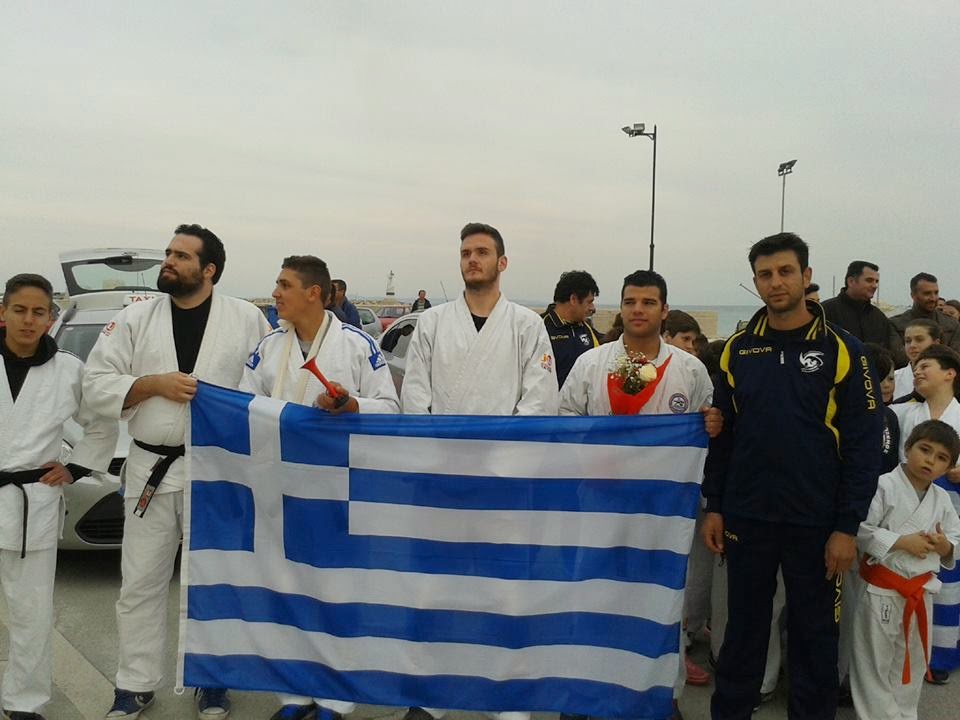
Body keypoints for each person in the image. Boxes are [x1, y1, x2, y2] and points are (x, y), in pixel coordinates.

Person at [83, 224, 272, 720]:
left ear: (209, 270)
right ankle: (134, 684)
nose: (168, 260)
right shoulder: (134, 318)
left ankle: (214, 678)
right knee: (140, 582)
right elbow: (95, 382)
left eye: (181, 255)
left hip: (219, 470)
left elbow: (267, 389)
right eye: (168, 252)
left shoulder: (246, 318)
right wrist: (151, 384)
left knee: (216, 579)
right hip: (151, 465)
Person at [702, 232, 882, 720]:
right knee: (742, 633)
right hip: (747, 516)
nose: (775, 282)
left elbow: (864, 448)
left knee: (814, 638)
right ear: (755, 282)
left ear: (806, 276)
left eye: (785, 272)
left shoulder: (844, 350)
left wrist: (846, 527)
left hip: (817, 522)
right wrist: (715, 504)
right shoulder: (737, 349)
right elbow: (721, 435)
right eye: (765, 274)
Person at [400, 222, 558, 720]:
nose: (472, 259)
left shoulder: (527, 325)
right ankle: (433, 692)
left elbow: (539, 401)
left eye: (483, 252)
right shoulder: (432, 323)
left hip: (503, 479)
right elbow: (415, 396)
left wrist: (495, 461)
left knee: (504, 590)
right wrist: (442, 457)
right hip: (442, 475)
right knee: (437, 588)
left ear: (501, 262)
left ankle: (506, 694)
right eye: (466, 252)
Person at [240, 256, 399, 720]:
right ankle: (294, 693)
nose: (275, 293)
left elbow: (391, 408)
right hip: (281, 486)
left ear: (313, 293)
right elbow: (243, 405)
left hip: (340, 486)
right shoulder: (268, 347)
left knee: (337, 591)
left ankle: (335, 697)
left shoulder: (357, 344)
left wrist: (351, 405)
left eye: (283, 285)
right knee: (286, 588)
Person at [559, 269, 721, 720]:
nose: (638, 309)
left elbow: (706, 427)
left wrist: (712, 424)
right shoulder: (591, 363)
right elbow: (565, 418)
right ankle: (584, 694)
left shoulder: (689, 369)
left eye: (648, 302)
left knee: (659, 602)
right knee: (592, 597)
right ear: (621, 306)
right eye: (630, 301)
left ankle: (659, 694)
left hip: (661, 512)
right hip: (599, 504)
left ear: (664, 310)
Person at [0, 274, 116, 720]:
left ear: (51, 317)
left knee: (31, 613)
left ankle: (24, 703)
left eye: (38, 312)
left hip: (33, 500)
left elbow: (101, 424)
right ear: (3, 313)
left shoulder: (68, 369)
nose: (28, 320)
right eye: (19, 310)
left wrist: (76, 467)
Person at [851, 420, 960, 720]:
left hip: (920, 591)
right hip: (882, 589)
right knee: (874, 659)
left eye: (941, 458)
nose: (930, 461)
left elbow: (956, 537)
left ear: (948, 466)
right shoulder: (883, 485)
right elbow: (860, 529)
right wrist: (902, 542)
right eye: (925, 450)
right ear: (908, 447)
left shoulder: (941, 499)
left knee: (912, 658)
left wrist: (945, 546)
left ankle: (904, 714)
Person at [821, 261, 902, 357]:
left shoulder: (879, 317)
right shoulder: (825, 311)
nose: (875, 286)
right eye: (869, 280)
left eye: (876, 281)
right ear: (851, 281)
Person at [542, 270, 600, 388]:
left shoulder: (587, 329)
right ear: (573, 299)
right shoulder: (540, 328)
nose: (593, 308)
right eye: (589, 302)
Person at [891, 273, 960, 362]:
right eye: (927, 293)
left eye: (936, 293)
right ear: (913, 295)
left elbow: (955, 359)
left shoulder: (952, 324)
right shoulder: (895, 324)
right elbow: (900, 358)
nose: (933, 298)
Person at [894, 319, 941, 400]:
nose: (912, 345)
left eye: (919, 339)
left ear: (936, 343)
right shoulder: (894, 378)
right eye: (908, 341)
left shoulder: (949, 376)